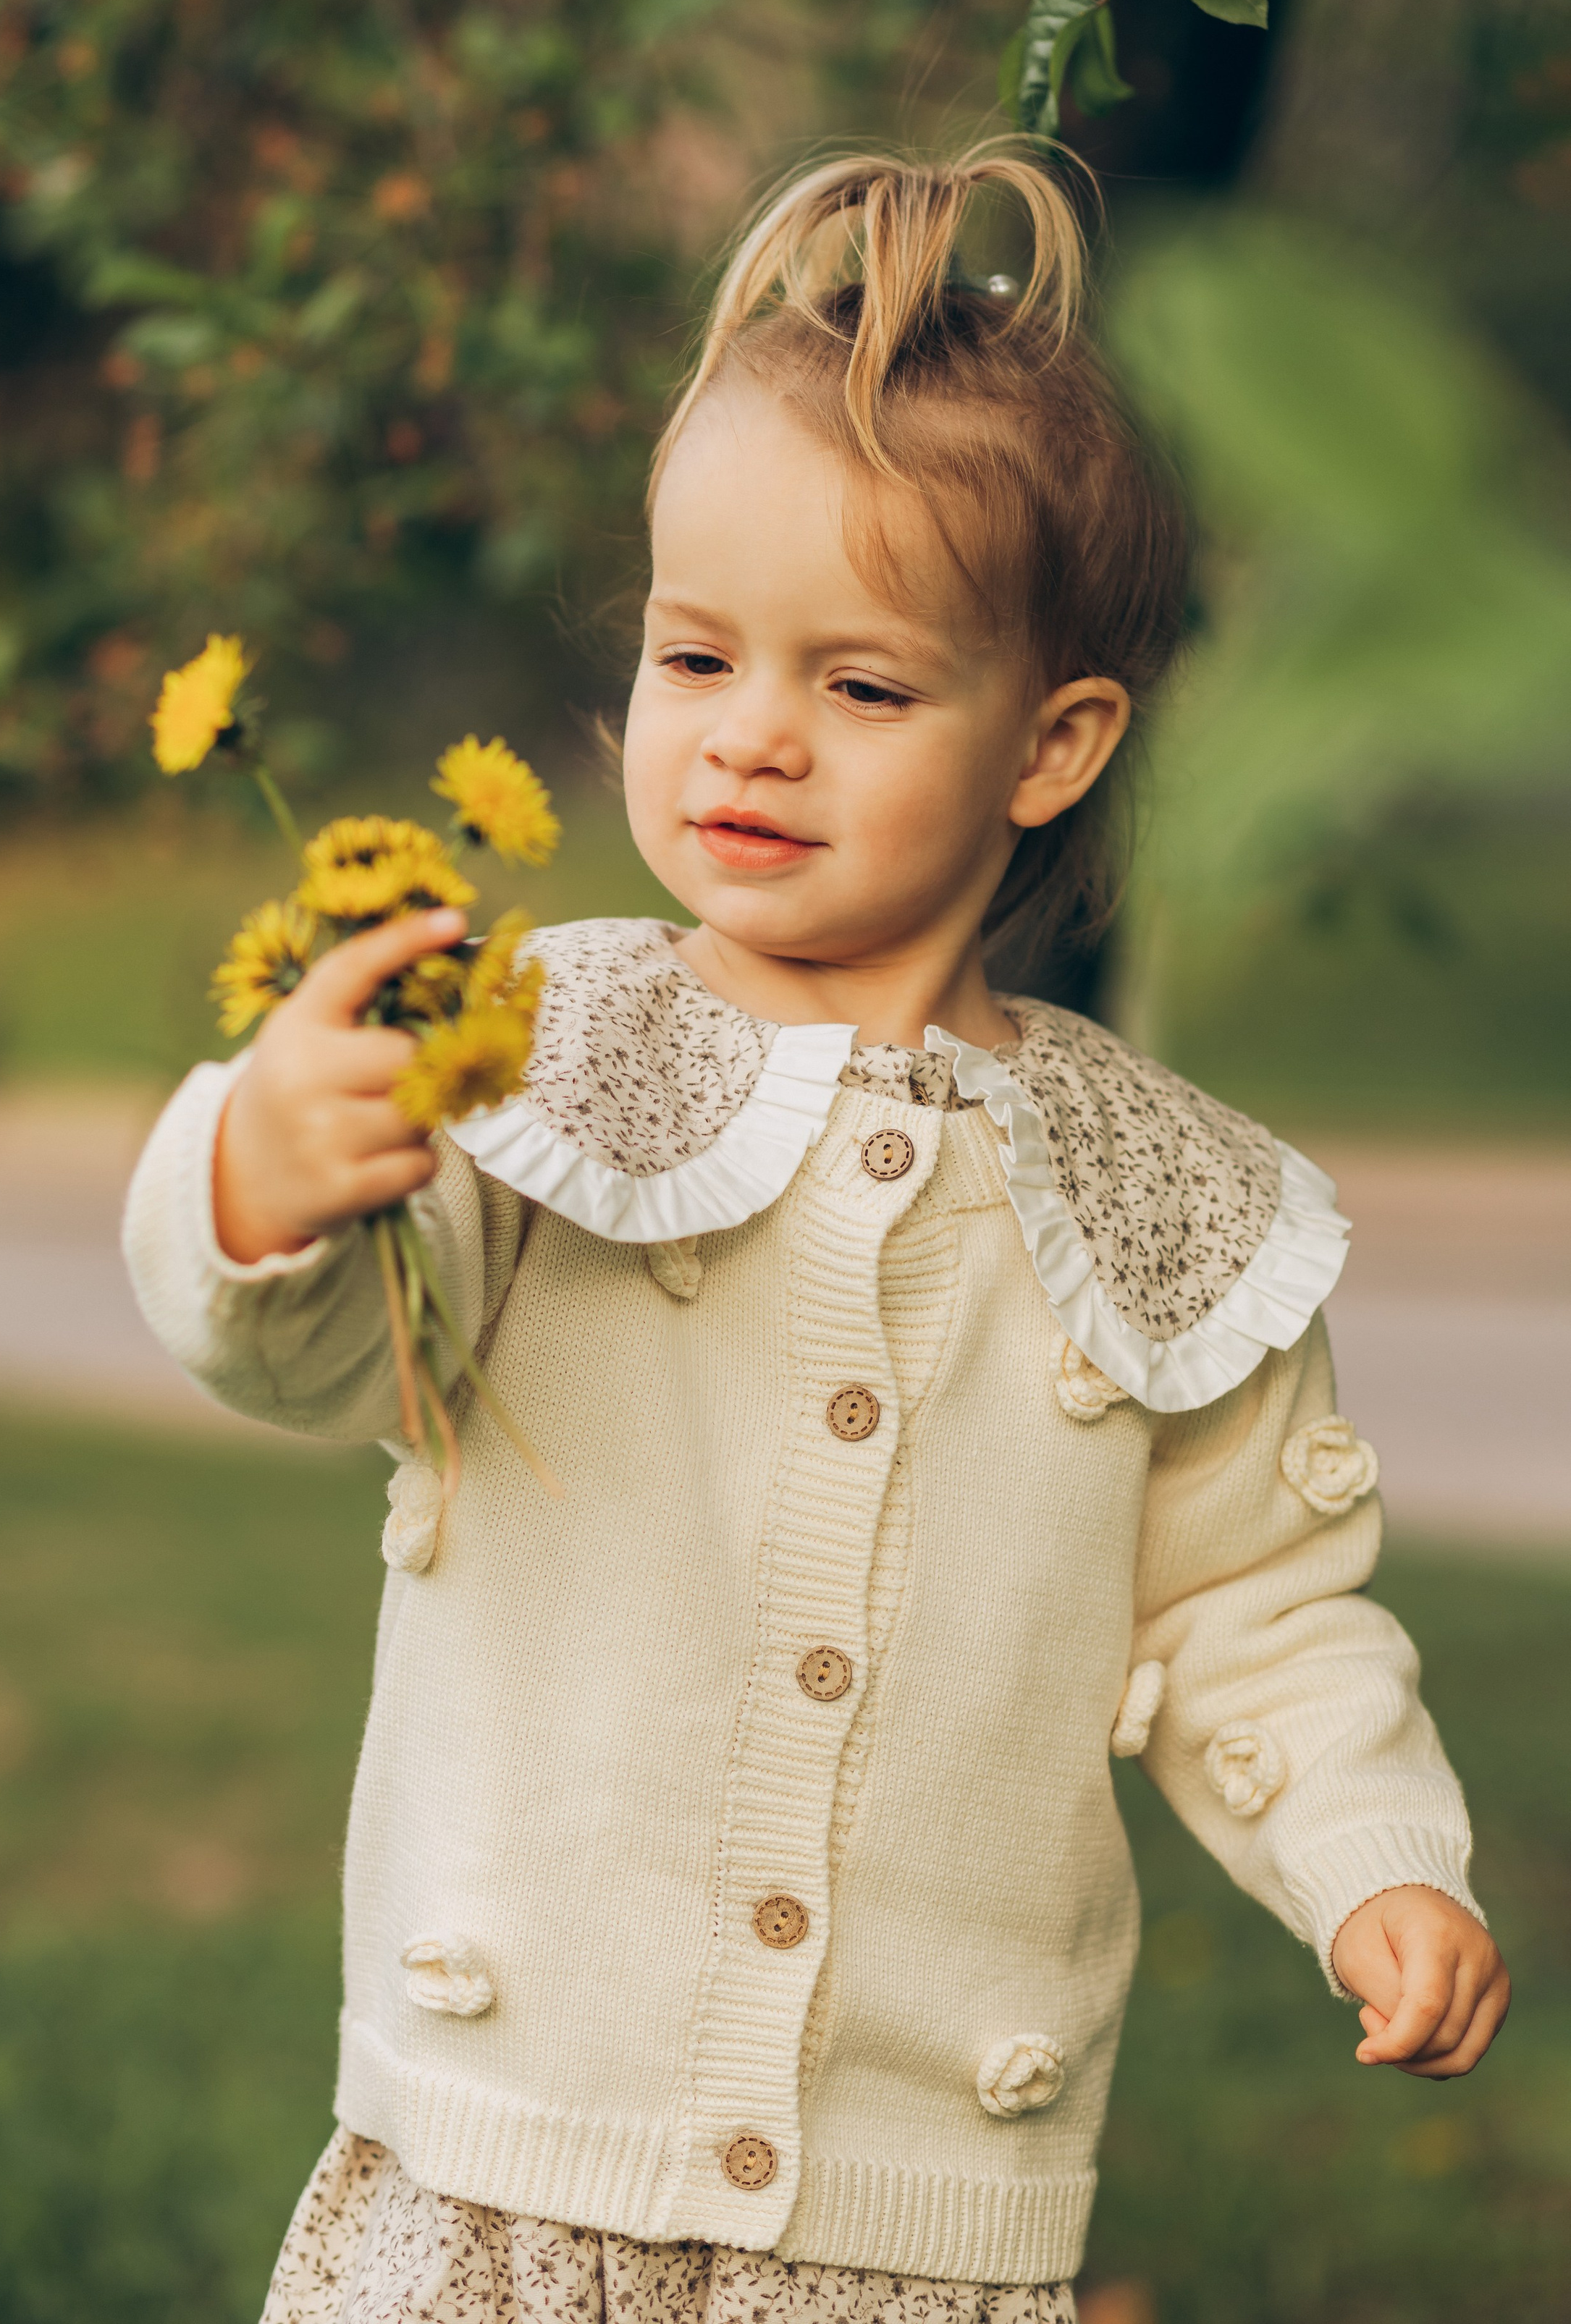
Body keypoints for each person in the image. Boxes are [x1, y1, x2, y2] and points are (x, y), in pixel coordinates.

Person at [125, 146, 1508, 2324]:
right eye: (697, 655)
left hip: (914, 2198)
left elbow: (1255, 1603)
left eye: (862, 689)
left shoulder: (1163, 1196)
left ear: (1050, 745)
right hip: (505, 2144)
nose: (753, 736)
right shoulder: (530, 1049)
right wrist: (263, 1184)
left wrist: (1372, 1868)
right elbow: (324, 1358)